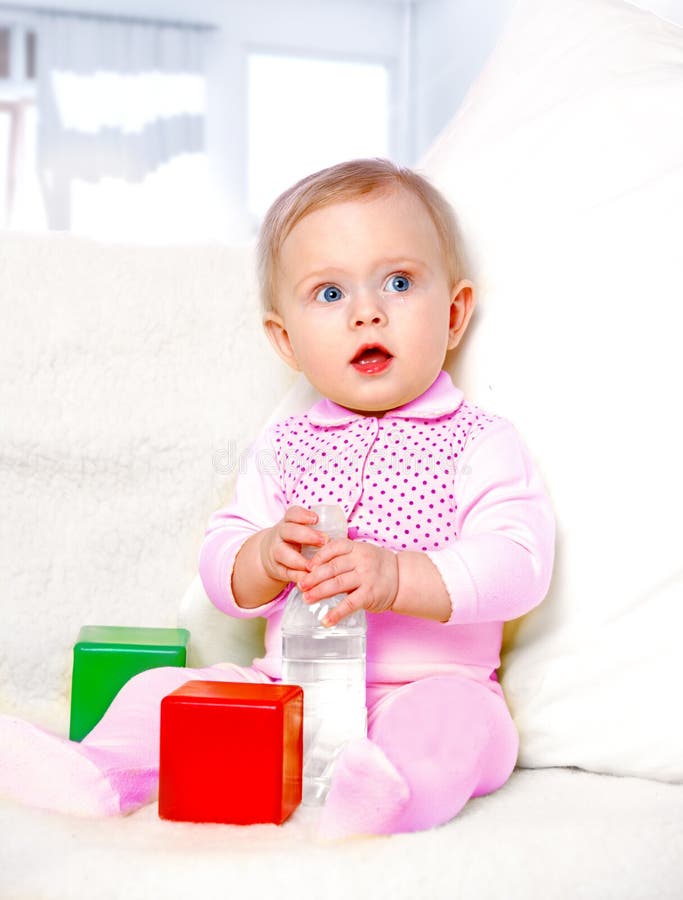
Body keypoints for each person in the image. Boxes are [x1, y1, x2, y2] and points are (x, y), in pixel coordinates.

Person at [0, 159, 554, 837]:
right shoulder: (286, 446)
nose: (366, 311)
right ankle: (98, 771)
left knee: (454, 730)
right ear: (285, 341)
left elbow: (518, 563)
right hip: (286, 696)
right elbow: (222, 560)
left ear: (454, 312)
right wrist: (262, 556)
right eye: (328, 294)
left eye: (399, 282)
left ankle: (388, 794)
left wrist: (397, 576)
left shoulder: (478, 440)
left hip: (430, 687)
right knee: (166, 693)